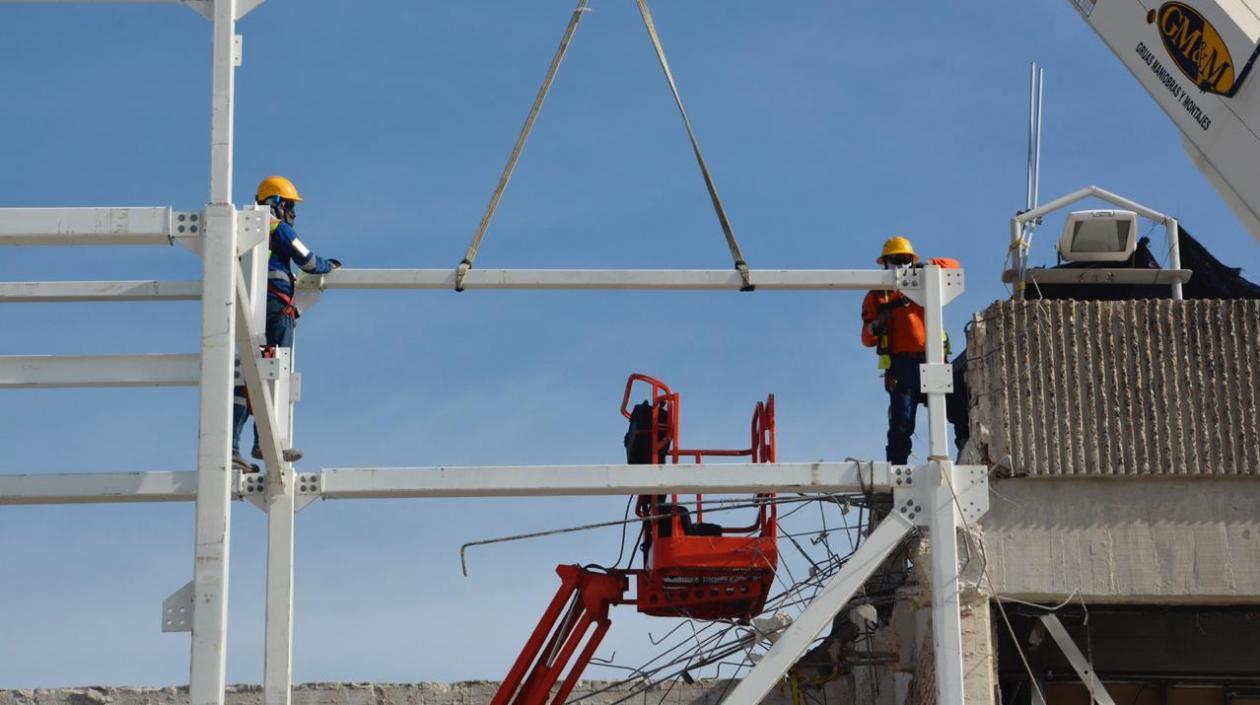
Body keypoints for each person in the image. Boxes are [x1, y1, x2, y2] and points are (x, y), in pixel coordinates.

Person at [232, 175, 341, 473]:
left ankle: (234, 446)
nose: (292, 213)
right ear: (276, 204)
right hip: (276, 309)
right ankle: (267, 444)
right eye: (290, 205)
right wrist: (328, 266)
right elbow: (306, 260)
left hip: (249, 310)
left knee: (247, 375)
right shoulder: (277, 228)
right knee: (276, 373)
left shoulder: (242, 229)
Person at [860, 236, 959, 465]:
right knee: (902, 422)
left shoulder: (926, 280)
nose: (899, 265)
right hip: (902, 366)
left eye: (904, 260)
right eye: (894, 260)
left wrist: (929, 265)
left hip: (934, 360)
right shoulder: (877, 294)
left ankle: (965, 446)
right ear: (884, 263)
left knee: (957, 408)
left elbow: (954, 266)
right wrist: (875, 326)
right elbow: (866, 338)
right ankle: (897, 467)